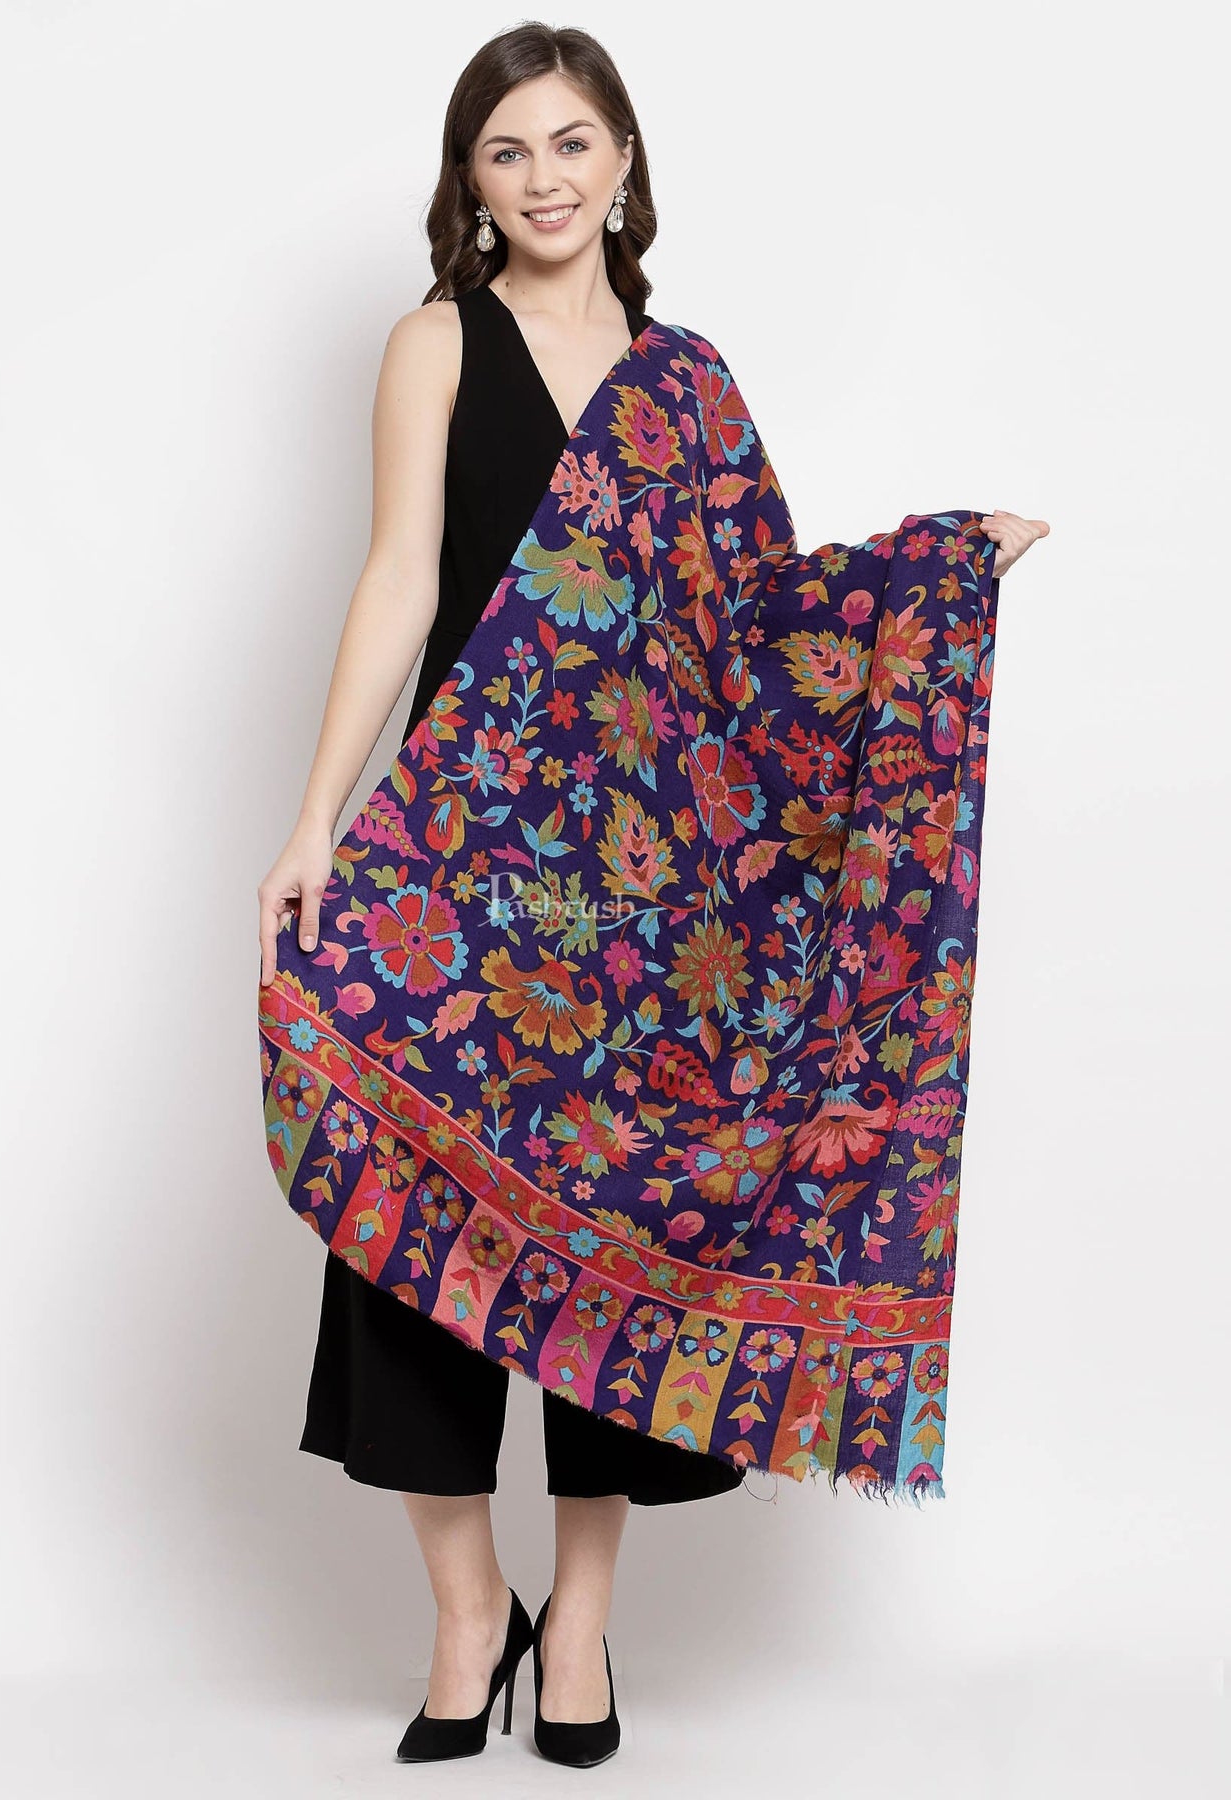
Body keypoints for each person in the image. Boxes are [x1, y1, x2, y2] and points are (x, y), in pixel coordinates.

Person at [257, 21, 1048, 1768]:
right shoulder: (434, 342)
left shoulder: (686, 382)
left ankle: (583, 1627)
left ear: (622, 161)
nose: (542, 179)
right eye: (506, 152)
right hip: (467, 870)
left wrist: (933, 569)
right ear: (469, 184)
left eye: (570, 143)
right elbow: (397, 578)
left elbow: (758, 629)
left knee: (632, 1235)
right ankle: (470, 1615)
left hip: (648, 902)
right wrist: (316, 818)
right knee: (403, 1229)